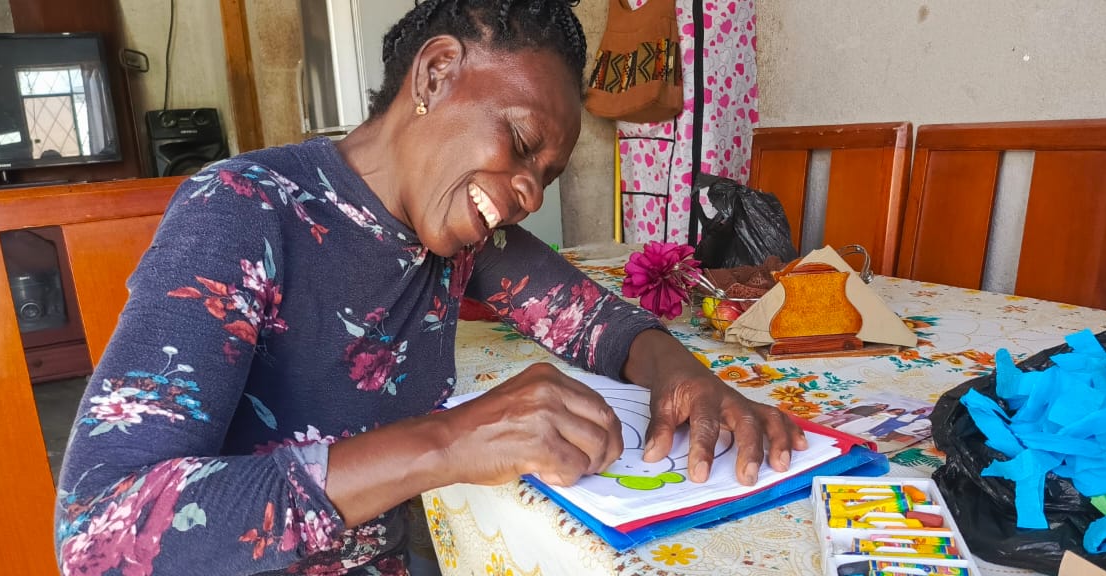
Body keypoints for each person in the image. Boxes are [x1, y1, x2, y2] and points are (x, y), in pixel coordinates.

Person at [52, 1, 805, 574]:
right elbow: (97, 531)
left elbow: (596, 322)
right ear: (436, 72)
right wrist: (449, 441)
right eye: (521, 143)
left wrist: (687, 379)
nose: (530, 193)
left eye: (545, 177)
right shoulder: (243, 211)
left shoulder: (457, 241)